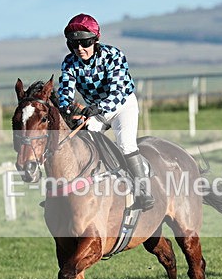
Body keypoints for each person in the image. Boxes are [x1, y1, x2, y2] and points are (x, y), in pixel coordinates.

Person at [57, 13, 154, 210]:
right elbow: (65, 92)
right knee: (82, 144)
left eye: (85, 43)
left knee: (125, 144)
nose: (79, 49)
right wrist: (66, 110)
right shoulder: (69, 62)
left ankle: (143, 190)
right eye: (74, 44)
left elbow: (117, 92)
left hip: (121, 105)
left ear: (95, 40)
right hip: (95, 110)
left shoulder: (113, 55)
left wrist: (97, 109)